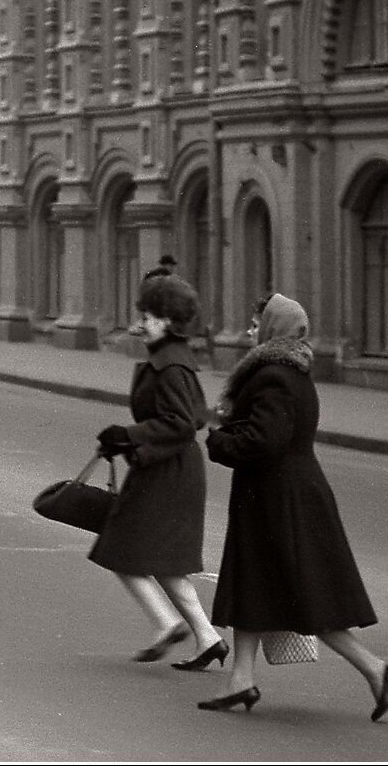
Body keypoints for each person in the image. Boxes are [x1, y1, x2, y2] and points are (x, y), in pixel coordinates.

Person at [202, 293, 388, 720]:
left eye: (257, 324)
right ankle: (240, 679)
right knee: (254, 586)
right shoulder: (294, 372)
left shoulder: (273, 375)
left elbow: (265, 440)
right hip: (281, 496)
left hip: (278, 501)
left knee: (305, 594)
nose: (251, 331)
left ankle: (374, 667)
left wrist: (220, 442)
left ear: (273, 329)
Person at [90, 276, 227, 670]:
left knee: (121, 547)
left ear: (167, 321)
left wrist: (128, 434)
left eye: (148, 317)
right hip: (165, 466)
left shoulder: (171, 365)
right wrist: (124, 441)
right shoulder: (171, 358)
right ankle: (207, 638)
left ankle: (167, 624)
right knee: (162, 559)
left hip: (167, 470)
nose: (141, 324)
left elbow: (183, 422)